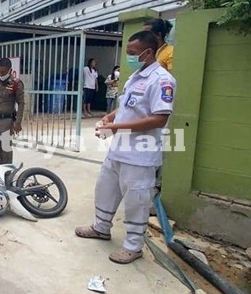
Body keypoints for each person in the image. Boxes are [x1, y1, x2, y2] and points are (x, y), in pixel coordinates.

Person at [75, 31, 176, 264]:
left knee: (136, 200)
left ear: (148, 52)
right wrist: (109, 119)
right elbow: (125, 107)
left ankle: (133, 246)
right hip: (118, 150)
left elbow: (159, 118)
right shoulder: (135, 77)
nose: (129, 57)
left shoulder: (161, 80)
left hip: (140, 155)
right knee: (105, 189)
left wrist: (117, 126)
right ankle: (101, 228)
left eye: (132, 53)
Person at [0, 58, 25, 165]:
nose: (0, 74)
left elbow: (21, 104)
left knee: (6, 148)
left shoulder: (16, 84)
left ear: (10, 70)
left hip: (7, 121)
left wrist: (18, 122)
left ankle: (7, 171)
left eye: (3, 72)